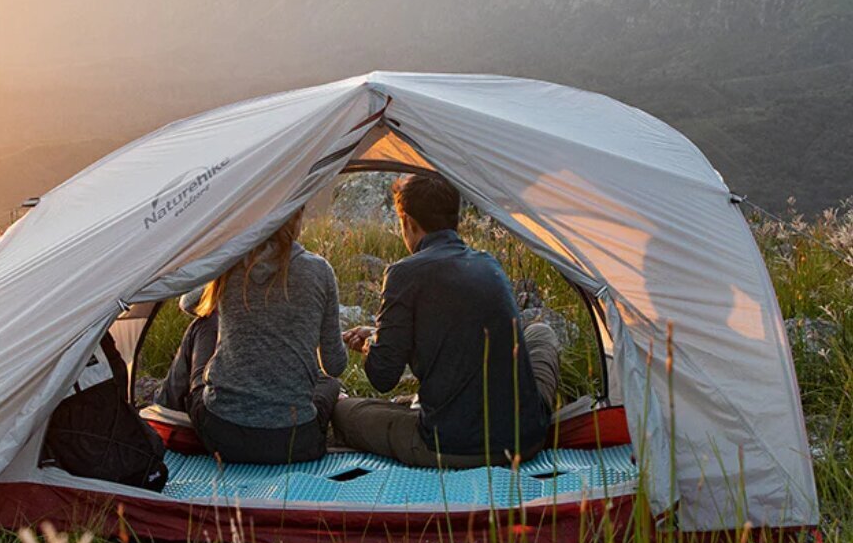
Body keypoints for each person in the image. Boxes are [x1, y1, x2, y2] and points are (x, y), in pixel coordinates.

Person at [333, 174, 559, 468]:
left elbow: (383, 377)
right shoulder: (488, 262)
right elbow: (458, 330)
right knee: (540, 332)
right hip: (525, 438)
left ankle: (408, 413)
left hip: (451, 444)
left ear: (409, 223)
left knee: (343, 411)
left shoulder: (404, 274)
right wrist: (380, 333)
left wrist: (372, 344)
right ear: (455, 220)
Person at [156, 208, 347, 463]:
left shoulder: (231, 261)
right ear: (298, 216)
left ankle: (163, 411)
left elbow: (188, 303)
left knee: (203, 323)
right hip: (295, 442)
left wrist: (224, 254)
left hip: (222, 434)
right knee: (329, 383)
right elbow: (334, 365)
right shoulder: (319, 271)